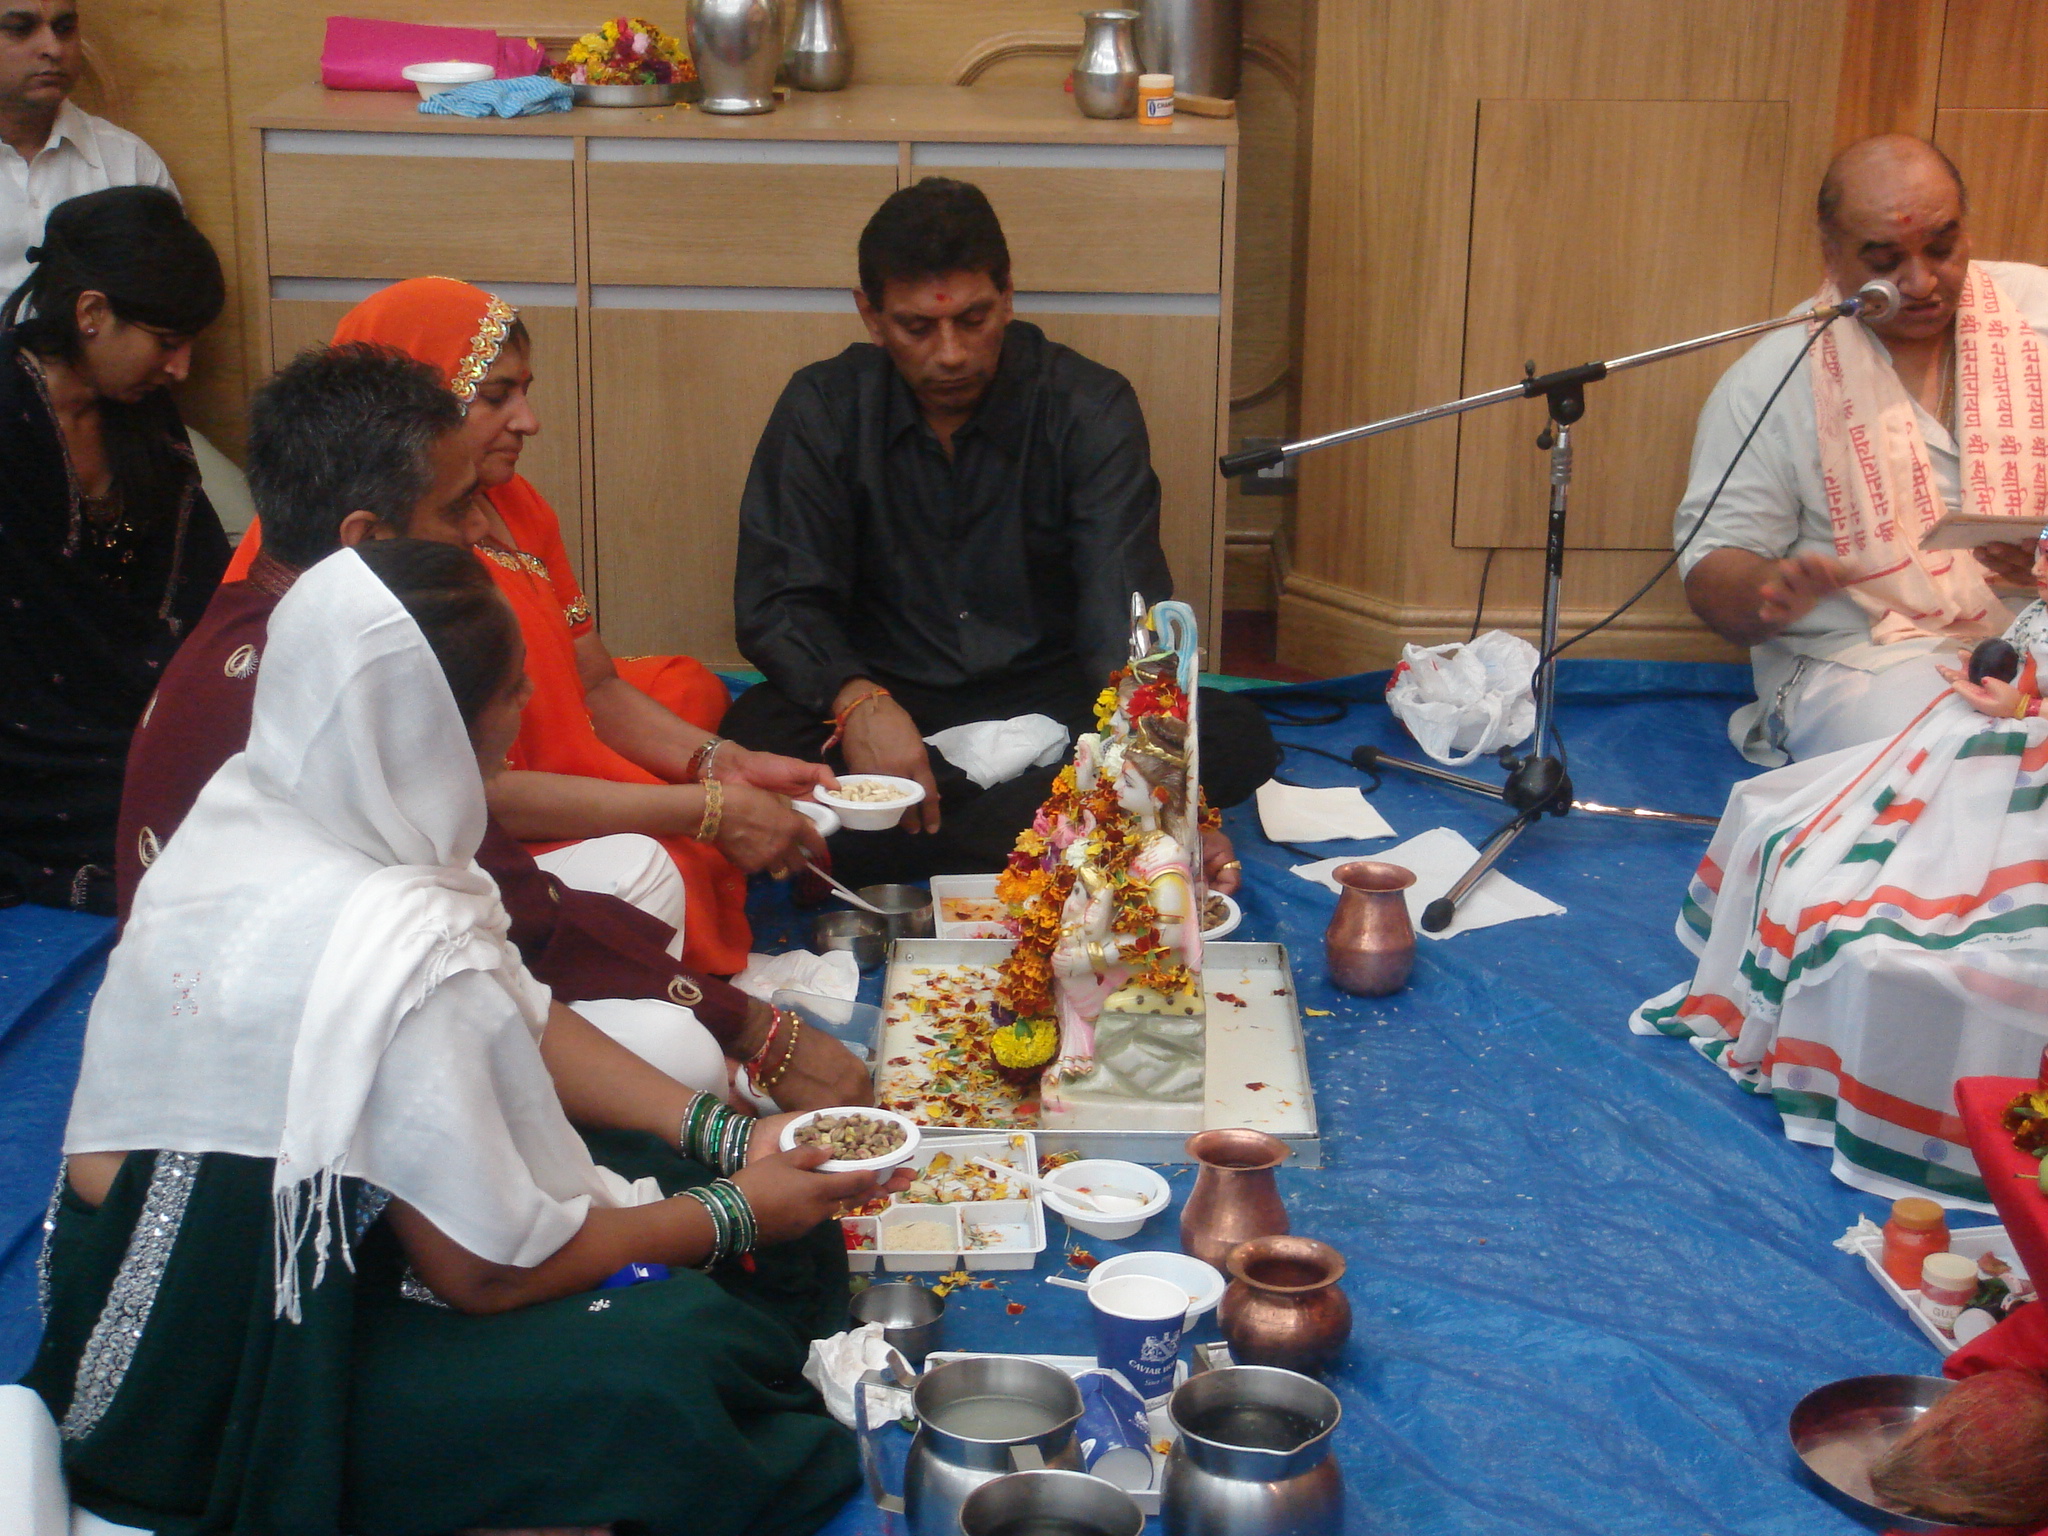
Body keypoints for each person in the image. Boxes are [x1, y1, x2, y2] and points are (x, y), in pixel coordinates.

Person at [31, 539, 897, 1536]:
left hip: (252, 1243)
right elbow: (485, 1274)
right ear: (435, 724)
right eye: (513, 688)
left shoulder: (267, 803)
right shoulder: (390, 935)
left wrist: (723, 1135)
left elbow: (515, 1004)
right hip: (218, 1358)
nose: (529, 705)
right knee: (676, 1371)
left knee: (666, 1168)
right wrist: (734, 1211)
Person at [123, 342, 869, 1112]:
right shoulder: (339, 689)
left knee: (641, 876)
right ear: (367, 540)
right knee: (678, 1053)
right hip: (284, 1066)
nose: (480, 527)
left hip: (375, 947)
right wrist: (749, 1027)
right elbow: (519, 910)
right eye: (456, 509)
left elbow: (507, 881)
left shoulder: (275, 614)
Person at [225, 277, 830, 975]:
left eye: (524, 391)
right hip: (447, 829)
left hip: (509, 765)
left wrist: (723, 765)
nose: (529, 421)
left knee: (687, 689)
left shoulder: (512, 500)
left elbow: (592, 683)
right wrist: (708, 810)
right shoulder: (358, 553)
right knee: (667, 869)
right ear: (413, 408)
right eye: (495, 396)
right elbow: (463, 793)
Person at [727, 177, 1265, 888]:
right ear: (871, 316)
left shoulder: (1087, 406)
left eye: (973, 319)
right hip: (886, 703)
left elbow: (1121, 616)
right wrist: (855, 698)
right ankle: (1089, 832)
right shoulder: (824, 407)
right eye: (918, 328)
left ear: (1008, 296)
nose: (950, 353)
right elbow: (777, 601)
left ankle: (910, 841)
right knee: (754, 734)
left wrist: (1149, 759)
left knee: (1233, 735)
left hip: (1056, 705)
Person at [1631, 556, 2048, 1205]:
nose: (2039, 559)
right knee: (1819, 848)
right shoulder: (2035, 613)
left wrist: (2021, 704)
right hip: (1996, 744)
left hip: (2027, 777)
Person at [1676, 134, 2048, 767]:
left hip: (2036, 638)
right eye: (1886, 260)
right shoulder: (1775, 379)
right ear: (1831, 254)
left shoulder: (2035, 316)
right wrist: (1768, 590)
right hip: (1868, 662)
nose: (1921, 282)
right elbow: (1713, 567)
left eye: (1942, 248)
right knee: (1972, 748)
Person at [0, 184, 224, 912]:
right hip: (25, 738)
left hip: (132, 706)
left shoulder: (143, 415)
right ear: (92, 313)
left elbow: (194, 582)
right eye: (167, 342)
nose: (182, 368)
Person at [0, 0, 174, 296]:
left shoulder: (129, 163)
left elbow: (170, 302)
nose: (54, 49)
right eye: (21, 29)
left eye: (65, 28)